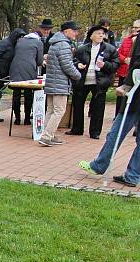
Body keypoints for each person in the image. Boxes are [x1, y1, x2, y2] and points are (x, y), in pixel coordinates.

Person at [79, 24, 140, 188]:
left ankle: (100, 165)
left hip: (136, 96)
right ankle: (133, 175)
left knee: (116, 132)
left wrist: (126, 85)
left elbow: (137, 64)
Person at [67, 25, 118, 139]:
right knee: (78, 105)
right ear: (91, 36)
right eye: (98, 33)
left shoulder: (110, 49)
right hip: (83, 81)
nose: (101, 35)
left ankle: (95, 132)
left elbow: (115, 65)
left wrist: (105, 65)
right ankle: (77, 129)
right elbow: (74, 60)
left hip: (99, 82)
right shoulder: (82, 49)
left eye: (102, 33)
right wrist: (78, 64)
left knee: (98, 108)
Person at [39, 21, 82, 147]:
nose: (76, 33)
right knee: (59, 111)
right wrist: (78, 75)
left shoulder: (55, 43)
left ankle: (47, 134)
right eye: (74, 30)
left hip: (52, 81)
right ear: (66, 31)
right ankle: (47, 136)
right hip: (60, 83)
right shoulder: (63, 44)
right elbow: (67, 65)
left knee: (51, 110)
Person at [9, 27, 44, 125]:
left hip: (15, 68)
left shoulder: (20, 41)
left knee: (16, 94)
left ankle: (17, 119)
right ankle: (27, 119)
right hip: (29, 70)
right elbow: (39, 61)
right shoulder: (38, 43)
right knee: (28, 94)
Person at [115, 20, 139, 115]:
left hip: (134, 74)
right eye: (133, 27)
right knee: (121, 97)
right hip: (124, 71)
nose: (134, 29)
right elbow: (119, 53)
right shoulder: (126, 40)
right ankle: (118, 114)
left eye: (137, 27)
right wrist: (124, 59)